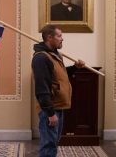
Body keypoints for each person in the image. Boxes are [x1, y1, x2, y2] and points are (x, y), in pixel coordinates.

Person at [32, 25, 85, 157]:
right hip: (50, 109)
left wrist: (75, 68)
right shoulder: (41, 58)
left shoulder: (55, 54)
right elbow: (42, 89)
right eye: (59, 36)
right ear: (49, 38)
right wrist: (50, 113)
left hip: (58, 107)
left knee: (53, 143)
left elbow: (59, 76)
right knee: (48, 145)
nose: (62, 39)